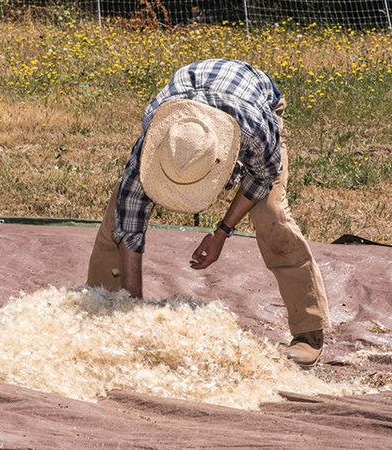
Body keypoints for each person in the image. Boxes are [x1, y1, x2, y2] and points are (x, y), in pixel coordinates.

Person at [87, 59, 330, 367]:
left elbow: (263, 176)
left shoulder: (254, 129)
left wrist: (221, 233)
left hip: (256, 101)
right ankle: (104, 310)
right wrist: (133, 315)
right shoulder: (160, 134)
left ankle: (309, 332)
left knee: (271, 218)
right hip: (192, 101)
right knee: (116, 223)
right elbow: (130, 222)